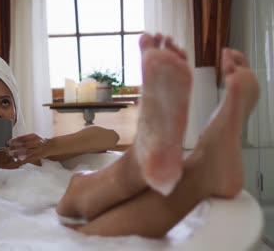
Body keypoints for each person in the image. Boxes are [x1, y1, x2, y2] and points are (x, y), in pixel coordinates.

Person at [56, 33, 260, 238]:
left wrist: (47, 145)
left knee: (75, 193)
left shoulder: (33, 154)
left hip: (44, 208)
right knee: (74, 212)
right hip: (42, 206)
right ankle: (201, 166)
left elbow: (108, 138)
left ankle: (148, 164)